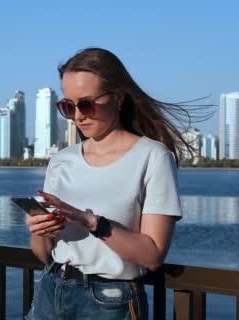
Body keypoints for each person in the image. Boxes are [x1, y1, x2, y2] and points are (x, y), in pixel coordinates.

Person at [25, 47, 199, 320]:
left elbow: (153, 254)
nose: (78, 116)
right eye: (68, 106)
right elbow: (44, 253)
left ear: (117, 98)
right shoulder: (61, 160)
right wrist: (39, 231)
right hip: (50, 290)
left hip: (109, 302)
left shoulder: (152, 157)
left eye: (86, 104)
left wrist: (91, 221)